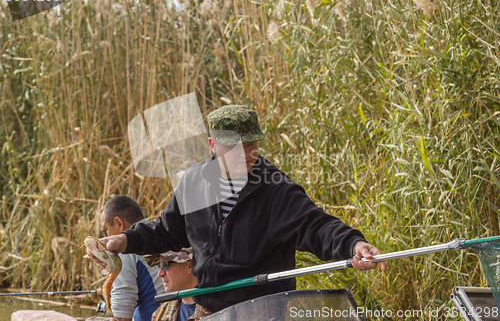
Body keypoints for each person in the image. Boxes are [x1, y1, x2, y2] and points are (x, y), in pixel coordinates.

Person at [91, 105, 386, 315]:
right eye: (234, 147)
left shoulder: (276, 189)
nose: (246, 154)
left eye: (252, 144)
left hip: (263, 311)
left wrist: (353, 244)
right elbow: (165, 231)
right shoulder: (193, 182)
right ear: (212, 145)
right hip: (210, 310)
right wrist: (125, 240)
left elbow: (316, 226)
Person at [99, 195, 164, 321]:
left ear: (119, 223)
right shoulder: (163, 236)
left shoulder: (124, 250)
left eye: (107, 228)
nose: (107, 234)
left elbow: (121, 316)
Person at [147, 248, 208, 321]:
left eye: (164, 265)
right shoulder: (160, 314)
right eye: (159, 266)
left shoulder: (219, 311)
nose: (160, 274)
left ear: (190, 265)